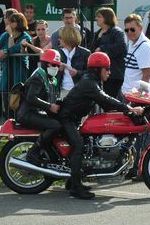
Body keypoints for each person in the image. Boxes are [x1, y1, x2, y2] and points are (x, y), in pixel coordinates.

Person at [53, 52, 143, 199]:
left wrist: (125, 109)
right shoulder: (89, 83)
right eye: (106, 69)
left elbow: (105, 104)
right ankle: (75, 188)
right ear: (97, 69)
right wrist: (129, 109)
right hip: (66, 118)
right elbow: (105, 98)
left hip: (73, 118)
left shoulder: (93, 80)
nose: (109, 72)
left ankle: (72, 181)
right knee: (78, 145)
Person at [0, 11, 30, 116]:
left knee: (18, 105)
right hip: (7, 74)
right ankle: (7, 127)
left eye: (12, 21)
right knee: (7, 106)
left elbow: (12, 49)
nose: (9, 23)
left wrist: (10, 35)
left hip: (19, 75)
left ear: (19, 23)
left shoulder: (25, 37)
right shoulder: (4, 35)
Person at [90, 7, 127, 98]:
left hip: (113, 74)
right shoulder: (97, 33)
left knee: (111, 99)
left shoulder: (117, 32)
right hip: (100, 74)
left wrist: (102, 48)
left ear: (107, 18)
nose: (96, 19)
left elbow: (121, 48)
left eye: (99, 16)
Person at [122, 13, 150, 96]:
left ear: (140, 28)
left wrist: (140, 95)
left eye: (132, 29)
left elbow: (147, 75)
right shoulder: (131, 42)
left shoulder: (144, 46)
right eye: (126, 30)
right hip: (127, 92)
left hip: (136, 95)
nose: (129, 32)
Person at [55, 25, 89, 98]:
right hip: (63, 90)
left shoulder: (85, 53)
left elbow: (91, 73)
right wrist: (57, 70)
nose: (58, 39)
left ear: (67, 38)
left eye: (60, 37)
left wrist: (77, 72)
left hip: (80, 91)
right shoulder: (57, 53)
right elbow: (50, 74)